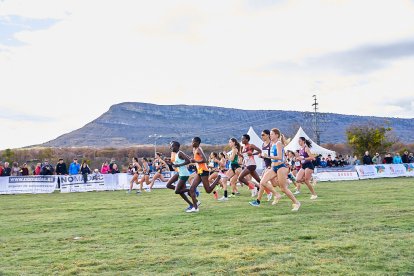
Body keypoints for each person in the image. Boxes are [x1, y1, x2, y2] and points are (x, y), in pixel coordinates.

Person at [250, 128, 300, 211]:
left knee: (283, 189)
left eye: (272, 134)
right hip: (274, 167)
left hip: (281, 167)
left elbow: (280, 157)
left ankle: (296, 202)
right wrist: (263, 156)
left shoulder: (278, 143)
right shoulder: (272, 144)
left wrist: (268, 156)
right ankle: (277, 194)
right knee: (263, 182)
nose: (270, 135)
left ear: (276, 135)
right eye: (270, 134)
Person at [187, 137, 221, 213]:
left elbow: (204, 160)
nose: (192, 143)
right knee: (191, 189)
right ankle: (195, 207)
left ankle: (218, 178)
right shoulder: (194, 149)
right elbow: (197, 161)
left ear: (198, 143)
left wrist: (194, 160)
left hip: (204, 171)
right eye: (192, 142)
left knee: (208, 190)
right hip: (199, 171)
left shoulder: (199, 149)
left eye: (194, 142)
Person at [166, 141, 194, 211]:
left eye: (172, 146)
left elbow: (188, 161)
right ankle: (192, 202)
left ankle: (191, 190)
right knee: (177, 190)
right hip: (180, 173)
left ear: (176, 147)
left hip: (184, 174)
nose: (171, 147)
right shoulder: (175, 154)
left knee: (177, 191)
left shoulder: (180, 153)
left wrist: (178, 165)